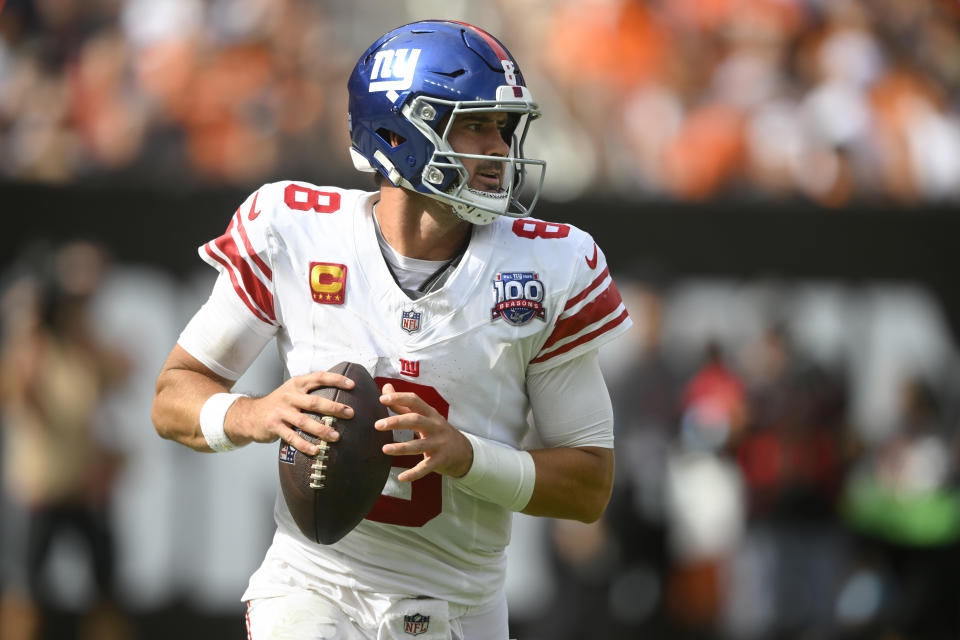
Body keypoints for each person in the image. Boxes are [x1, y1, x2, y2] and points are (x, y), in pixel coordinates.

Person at [151, 20, 631, 640]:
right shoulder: (294, 229)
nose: (498, 149)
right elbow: (172, 397)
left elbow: (589, 485)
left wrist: (468, 457)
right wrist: (253, 413)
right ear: (399, 128)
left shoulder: (548, 267)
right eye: (475, 124)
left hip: (459, 608)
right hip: (312, 588)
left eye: (505, 128)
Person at [0, 241, 130, 640]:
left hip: (83, 485)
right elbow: (18, 398)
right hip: (40, 487)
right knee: (26, 592)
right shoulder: (33, 351)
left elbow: (123, 373)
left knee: (106, 593)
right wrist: (25, 326)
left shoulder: (85, 351)